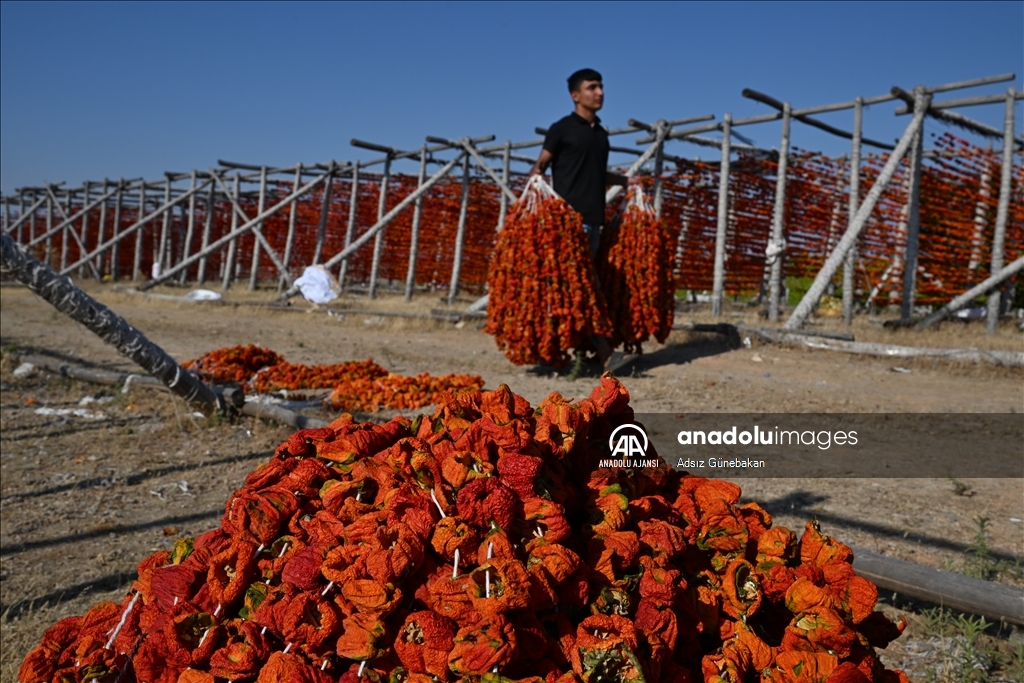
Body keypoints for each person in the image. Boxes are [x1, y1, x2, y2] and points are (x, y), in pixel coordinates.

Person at [529, 68, 636, 371]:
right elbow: (540, 165)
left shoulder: (601, 134)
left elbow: (597, 174)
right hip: (567, 223)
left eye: (601, 87)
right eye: (592, 87)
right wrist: (534, 189)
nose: (600, 92)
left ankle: (552, 353)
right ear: (576, 95)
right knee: (584, 285)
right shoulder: (561, 129)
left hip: (594, 223)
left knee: (572, 287)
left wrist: (626, 182)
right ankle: (605, 353)